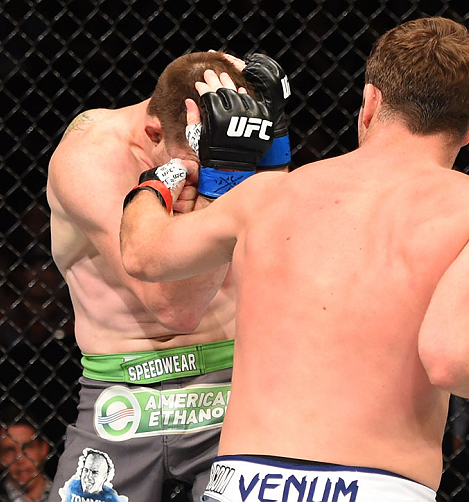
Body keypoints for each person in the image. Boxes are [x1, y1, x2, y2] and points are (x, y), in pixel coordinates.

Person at [119, 17, 469, 501]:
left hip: (244, 484)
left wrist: (166, 174)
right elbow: (455, 357)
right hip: (377, 486)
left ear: (370, 103)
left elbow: (145, 254)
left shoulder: (270, 195)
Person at [46, 50, 290, 502]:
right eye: (198, 166)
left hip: (231, 390)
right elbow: (175, 307)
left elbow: (275, 239)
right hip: (121, 396)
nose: (205, 179)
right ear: (153, 132)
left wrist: (272, 153)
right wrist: (225, 181)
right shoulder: (91, 158)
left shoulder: (239, 139)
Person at [0, 409, 52, 502]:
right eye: (9, 450)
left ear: (43, 449)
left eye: (28, 447)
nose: (20, 459)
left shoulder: (72, 495)